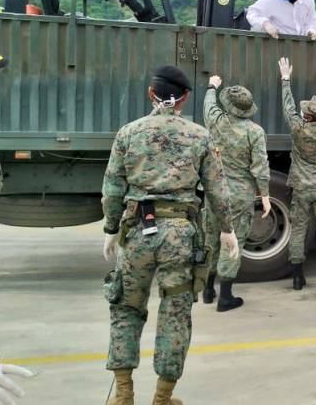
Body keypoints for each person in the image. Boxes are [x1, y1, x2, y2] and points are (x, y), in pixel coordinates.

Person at [101, 66, 239, 405]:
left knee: (126, 308)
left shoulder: (129, 133)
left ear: (151, 93)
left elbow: (113, 188)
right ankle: (162, 399)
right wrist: (227, 230)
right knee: (175, 312)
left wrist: (111, 228)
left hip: (136, 232)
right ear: (186, 98)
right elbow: (219, 191)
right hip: (180, 234)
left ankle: (123, 395)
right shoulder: (200, 136)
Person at [201, 77, 272, 312]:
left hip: (214, 193)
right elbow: (260, 166)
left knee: (210, 239)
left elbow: (209, 106)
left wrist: (212, 86)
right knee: (232, 242)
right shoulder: (255, 132)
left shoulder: (216, 122)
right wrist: (265, 196)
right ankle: (226, 296)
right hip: (240, 197)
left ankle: (208, 290)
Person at [278, 57, 316, 297]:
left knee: (299, 229)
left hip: (301, 187)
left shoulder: (298, 127)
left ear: (307, 115)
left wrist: (286, 80)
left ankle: (297, 277)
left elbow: (288, 107)